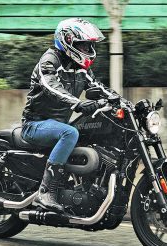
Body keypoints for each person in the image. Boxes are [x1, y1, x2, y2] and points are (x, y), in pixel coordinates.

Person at [21, 18, 108, 213]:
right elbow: (52, 87)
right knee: (70, 133)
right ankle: (45, 192)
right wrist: (78, 103)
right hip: (35, 124)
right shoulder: (50, 61)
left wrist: (122, 103)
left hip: (57, 124)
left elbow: (99, 88)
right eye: (83, 45)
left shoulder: (81, 68)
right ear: (68, 41)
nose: (87, 49)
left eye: (89, 45)